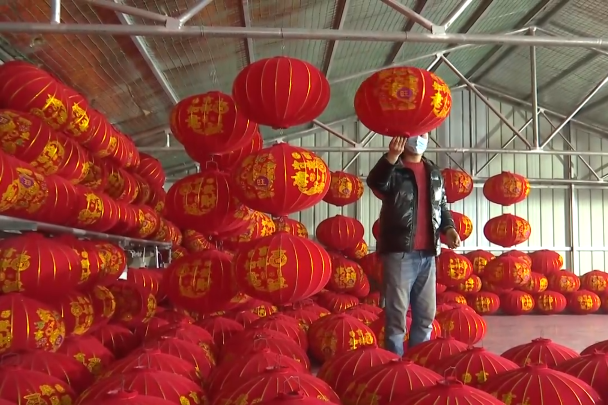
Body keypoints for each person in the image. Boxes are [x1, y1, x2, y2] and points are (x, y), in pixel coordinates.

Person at [366, 134, 460, 357]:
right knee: (396, 316)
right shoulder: (395, 171)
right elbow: (375, 182)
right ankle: (396, 364)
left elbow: (441, 206)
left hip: (428, 254)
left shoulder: (434, 172)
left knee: (426, 315)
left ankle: (418, 364)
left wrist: (449, 229)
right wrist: (391, 157)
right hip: (400, 252)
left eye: (424, 135)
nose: (419, 139)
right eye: (414, 135)